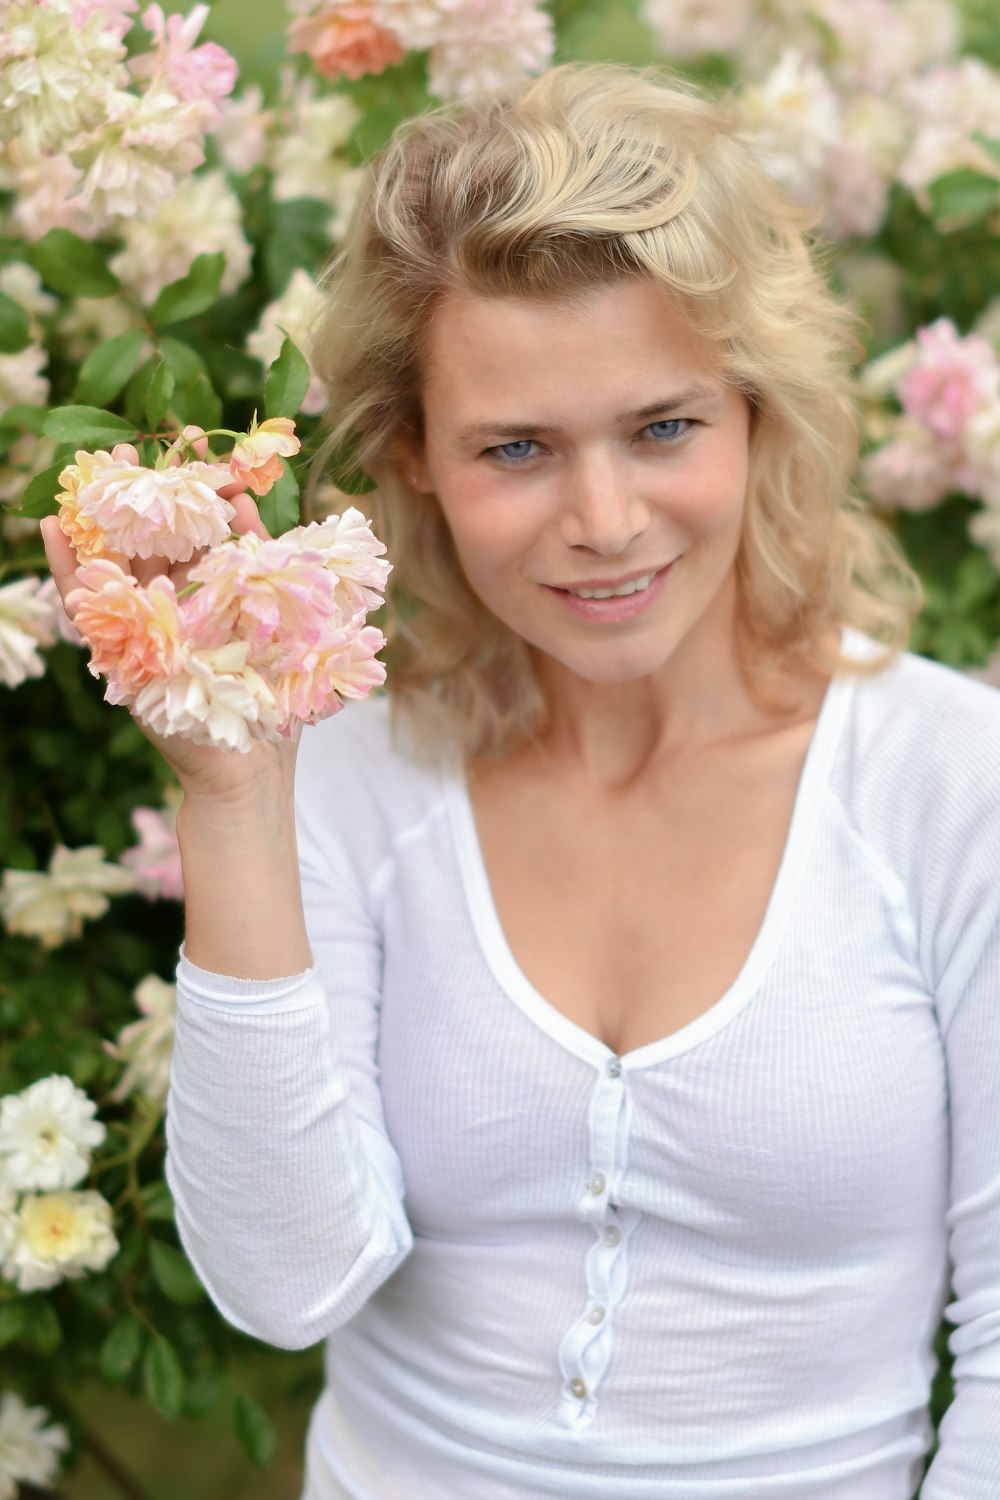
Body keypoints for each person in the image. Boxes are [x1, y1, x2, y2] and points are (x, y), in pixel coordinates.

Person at [43, 62, 1000, 1500]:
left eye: (664, 427)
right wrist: (234, 796)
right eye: (517, 449)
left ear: (758, 414)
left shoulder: (947, 782)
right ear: (416, 458)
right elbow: (286, 1286)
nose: (605, 523)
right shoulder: (352, 773)